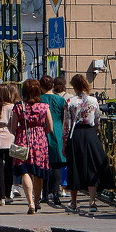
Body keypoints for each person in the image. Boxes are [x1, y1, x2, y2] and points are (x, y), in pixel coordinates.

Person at [63, 74, 113, 212]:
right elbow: (97, 120)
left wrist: (64, 142)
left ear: (74, 86)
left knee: (74, 167)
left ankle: (73, 202)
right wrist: (95, 133)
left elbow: (66, 124)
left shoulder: (70, 101)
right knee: (92, 166)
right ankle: (92, 202)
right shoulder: (93, 100)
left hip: (76, 134)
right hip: (90, 134)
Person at [12, 78, 54, 214]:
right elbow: (50, 128)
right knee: (38, 173)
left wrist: (22, 132)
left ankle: (30, 202)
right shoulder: (44, 107)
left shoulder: (18, 107)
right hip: (40, 140)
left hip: (22, 139)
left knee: (24, 171)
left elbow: (13, 128)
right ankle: (36, 201)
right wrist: (40, 132)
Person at [40, 75, 68, 206]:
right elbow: (64, 118)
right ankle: (56, 193)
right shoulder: (61, 100)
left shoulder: (38, 99)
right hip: (57, 130)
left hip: (42, 131)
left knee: (44, 163)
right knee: (56, 164)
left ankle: (44, 194)